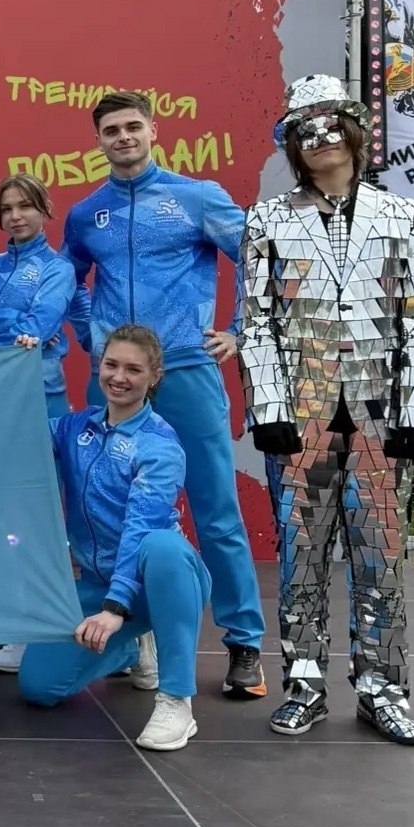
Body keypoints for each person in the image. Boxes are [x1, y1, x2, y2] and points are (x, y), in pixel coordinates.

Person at [240, 74, 414, 745]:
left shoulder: (401, 215)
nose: (320, 138)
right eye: (305, 129)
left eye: (330, 124)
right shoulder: (267, 218)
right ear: (292, 145)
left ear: (353, 133)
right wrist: (269, 407)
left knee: (380, 558)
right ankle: (303, 684)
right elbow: (256, 320)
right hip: (300, 415)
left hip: (381, 415)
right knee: (301, 557)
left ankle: (382, 687)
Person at [61, 91, 266, 699]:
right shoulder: (86, 214)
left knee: (215, 509)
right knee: (110, 510)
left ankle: (244, 643)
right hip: (117, 379)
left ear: (154, 130)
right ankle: (129, 634)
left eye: (133, 126)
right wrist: (90, 336)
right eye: (111, 130)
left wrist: (240, 329)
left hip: (186, 369)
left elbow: (259, 256)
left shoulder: (196, 197)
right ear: (98, 141)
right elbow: (65, 280)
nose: (123, 137)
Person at [19, 324, 212, 752]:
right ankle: (131, 645)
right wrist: (22, 365)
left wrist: (115, 608)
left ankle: (176, 700)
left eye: (133, 369)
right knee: (38, 687)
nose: (119, 377)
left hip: (156, 583)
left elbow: (141, 527)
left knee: (161, 546)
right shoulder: (76, 429)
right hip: (99, 586)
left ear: (154, 376)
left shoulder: (159, 445)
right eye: (111, 365)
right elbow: (21, 431)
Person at [0, 172, 91, 674]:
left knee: (38, 515)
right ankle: (1, 618)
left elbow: (40, 324)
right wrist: (9, 326)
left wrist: (12, 328)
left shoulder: (58, 269)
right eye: (6, 208)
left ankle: (37, 628)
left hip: (39, 402)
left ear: (44, 209)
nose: (15, 216)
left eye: (25, 206)